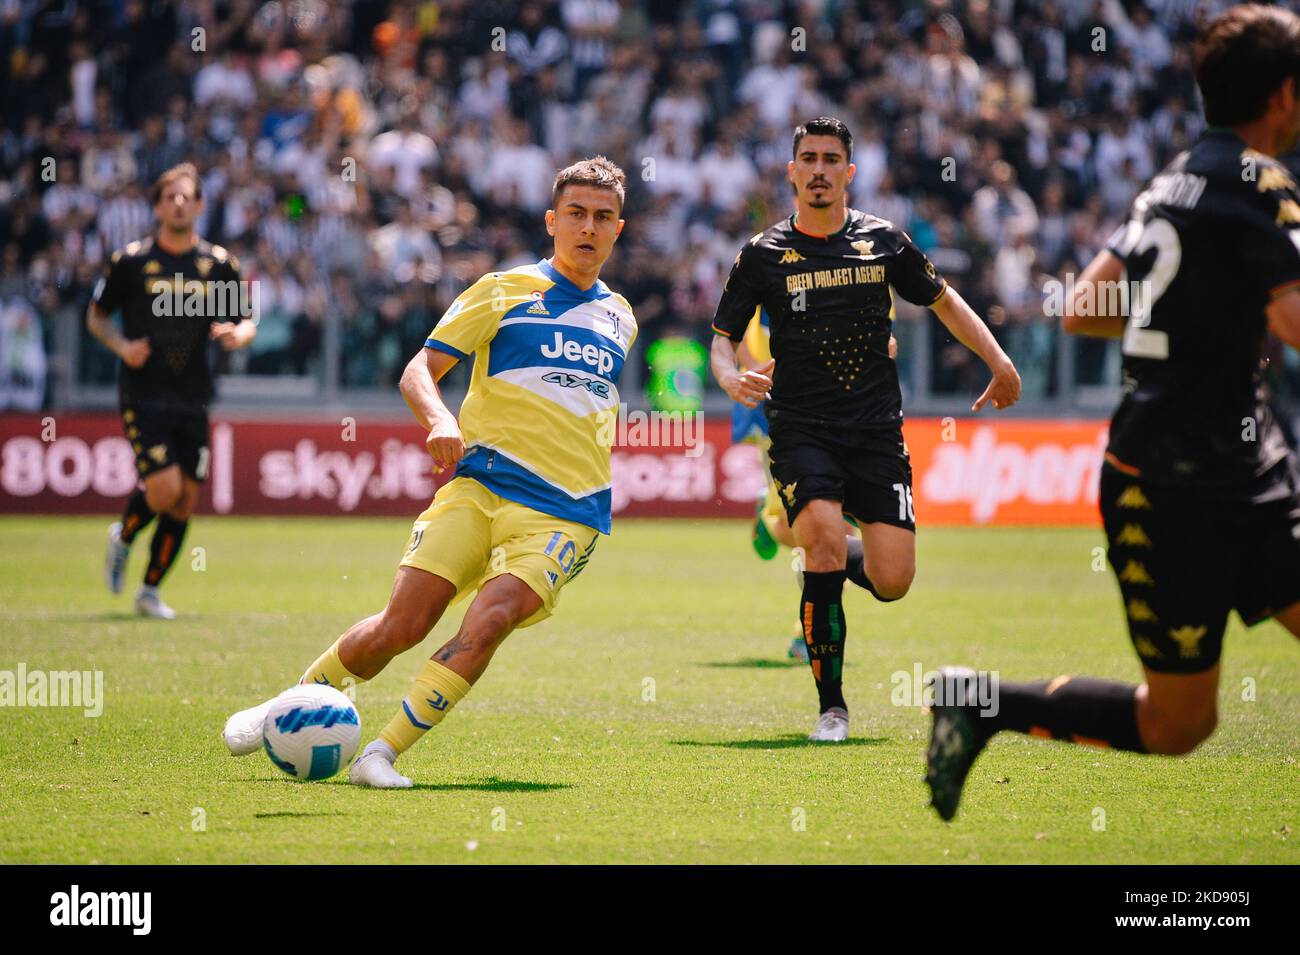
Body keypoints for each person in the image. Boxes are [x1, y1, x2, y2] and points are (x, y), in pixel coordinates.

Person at [926, 5, 1300, 821]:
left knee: (1183, 721)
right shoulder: (1265, 183)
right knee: (1180, 723)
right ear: (1283, 97)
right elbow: (1293, 321)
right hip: (1175, 481)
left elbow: (1086, 305)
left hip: (1216, 459)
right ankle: (984, 703)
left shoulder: (1174, 178)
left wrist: (1198, 307)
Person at [221, 157, 637, 788]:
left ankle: (379, 755)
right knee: (403, 626)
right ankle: (292, 702)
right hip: (482, 484)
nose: (588, 227)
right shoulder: (501, 290)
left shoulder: (622, 317)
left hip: (568, 510)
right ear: (552, 221)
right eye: (575, 214)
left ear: (618, 229)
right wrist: (441, 421)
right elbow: (418, 370)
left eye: (602, 217)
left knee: (490, 621)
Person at [711, 117, 1021, 741]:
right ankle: (832, 707)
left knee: (892, 581)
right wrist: (729, 377)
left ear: (849, 174)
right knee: (821, 541)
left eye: (831, 159)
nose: (819, 169)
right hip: (801, 428)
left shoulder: (884, 242)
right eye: (808, 158)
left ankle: (830, 556)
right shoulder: (763, 254)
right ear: (791, 171)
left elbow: (944, 301)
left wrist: (999, 360)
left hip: (876, 431)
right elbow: (720, 341)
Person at [91, 163, 256, 619]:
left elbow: (244, 321)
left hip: (194, 395)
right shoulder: (131, 261)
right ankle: (123, 538)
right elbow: (97, 315)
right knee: (163, 489)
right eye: (170, 197)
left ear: (200, 205)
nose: (179, 203)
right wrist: (123, 346)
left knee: (185, 498)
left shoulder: (218, 265)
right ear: (157, 206)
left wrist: (236, 335)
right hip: (143, 393)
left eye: (187, 197)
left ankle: (149, 591)